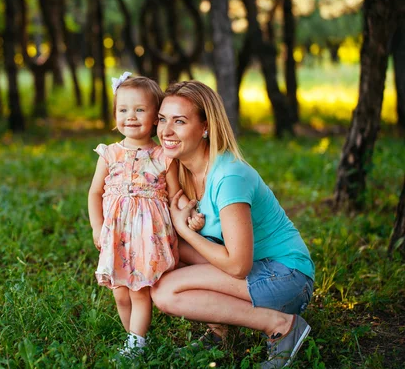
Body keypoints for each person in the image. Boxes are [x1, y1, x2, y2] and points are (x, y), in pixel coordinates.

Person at [152, 80, 315, 368]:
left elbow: (238, 265)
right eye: (162, 119)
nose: (166, 131)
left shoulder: (229, 177)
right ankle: (220, 333)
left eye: (179, 121)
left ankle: (281, 325)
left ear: (205, 127)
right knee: (168, 256)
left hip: (286, 278)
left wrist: (183, 229)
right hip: (255, 272)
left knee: (166, 292)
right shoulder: (180, 168)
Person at [87, 73, 204, 356]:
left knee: (139, 291)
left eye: (140, 109)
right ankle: (133, 339)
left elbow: (175, 194)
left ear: (155, 118)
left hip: (146, 237)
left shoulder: (163, 156)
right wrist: (96, 227)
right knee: (119, 292)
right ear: (115, 115)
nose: (131, 116)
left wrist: (190, 215)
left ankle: (135, 344)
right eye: (123, 110)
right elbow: (94, 193)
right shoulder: (109, 154)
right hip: (116, 234)